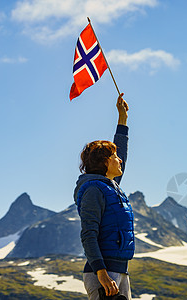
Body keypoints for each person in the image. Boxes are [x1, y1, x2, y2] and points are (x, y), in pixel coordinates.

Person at [73, 93, 134, 300]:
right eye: (114, 157)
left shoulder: (110, 186)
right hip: (104, 274)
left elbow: (122, 153)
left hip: (119, 271)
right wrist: (102, 273)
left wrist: (122, 119)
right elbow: (88, 234)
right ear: (104, 163)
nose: (120, 161)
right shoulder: (93, 190)